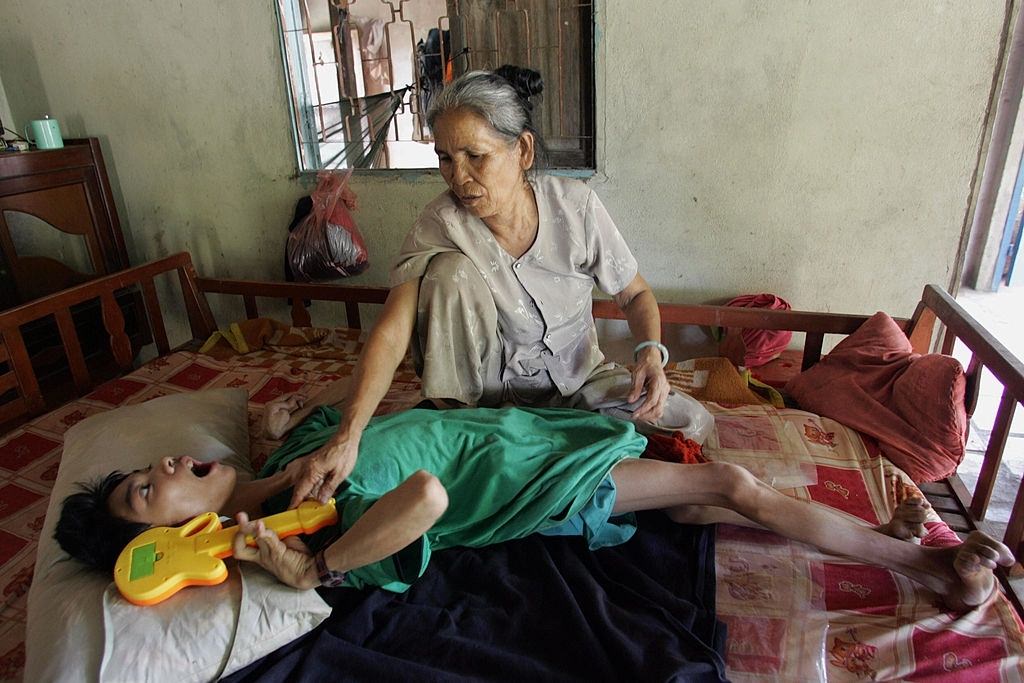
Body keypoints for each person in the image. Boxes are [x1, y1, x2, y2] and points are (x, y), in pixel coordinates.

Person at [56, 396, 1012, 613]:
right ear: (178, 528)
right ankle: (926, 569)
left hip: (518, 434)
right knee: (728, 483)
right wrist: (310, 564)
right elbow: (427, 495)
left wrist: (308, 446)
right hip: (525, 482)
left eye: (157, 463)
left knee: (692, 502)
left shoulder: (293, 457)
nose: (172, 460)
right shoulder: (320, 523)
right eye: (153, 486)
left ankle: (895, 544)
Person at [287, 64, 714, 509]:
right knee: (449, 272)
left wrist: (650, 354)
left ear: (522, 150)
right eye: (445, 159)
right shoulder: (440, 224)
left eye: (476, 156)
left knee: (689, 424)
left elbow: (635, 294)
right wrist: (348, 435)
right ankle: (483, 442)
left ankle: (535, 457)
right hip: (487, 409)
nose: (458, 176)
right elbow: (393, 333)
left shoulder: (576, 206)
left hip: (579, 384)